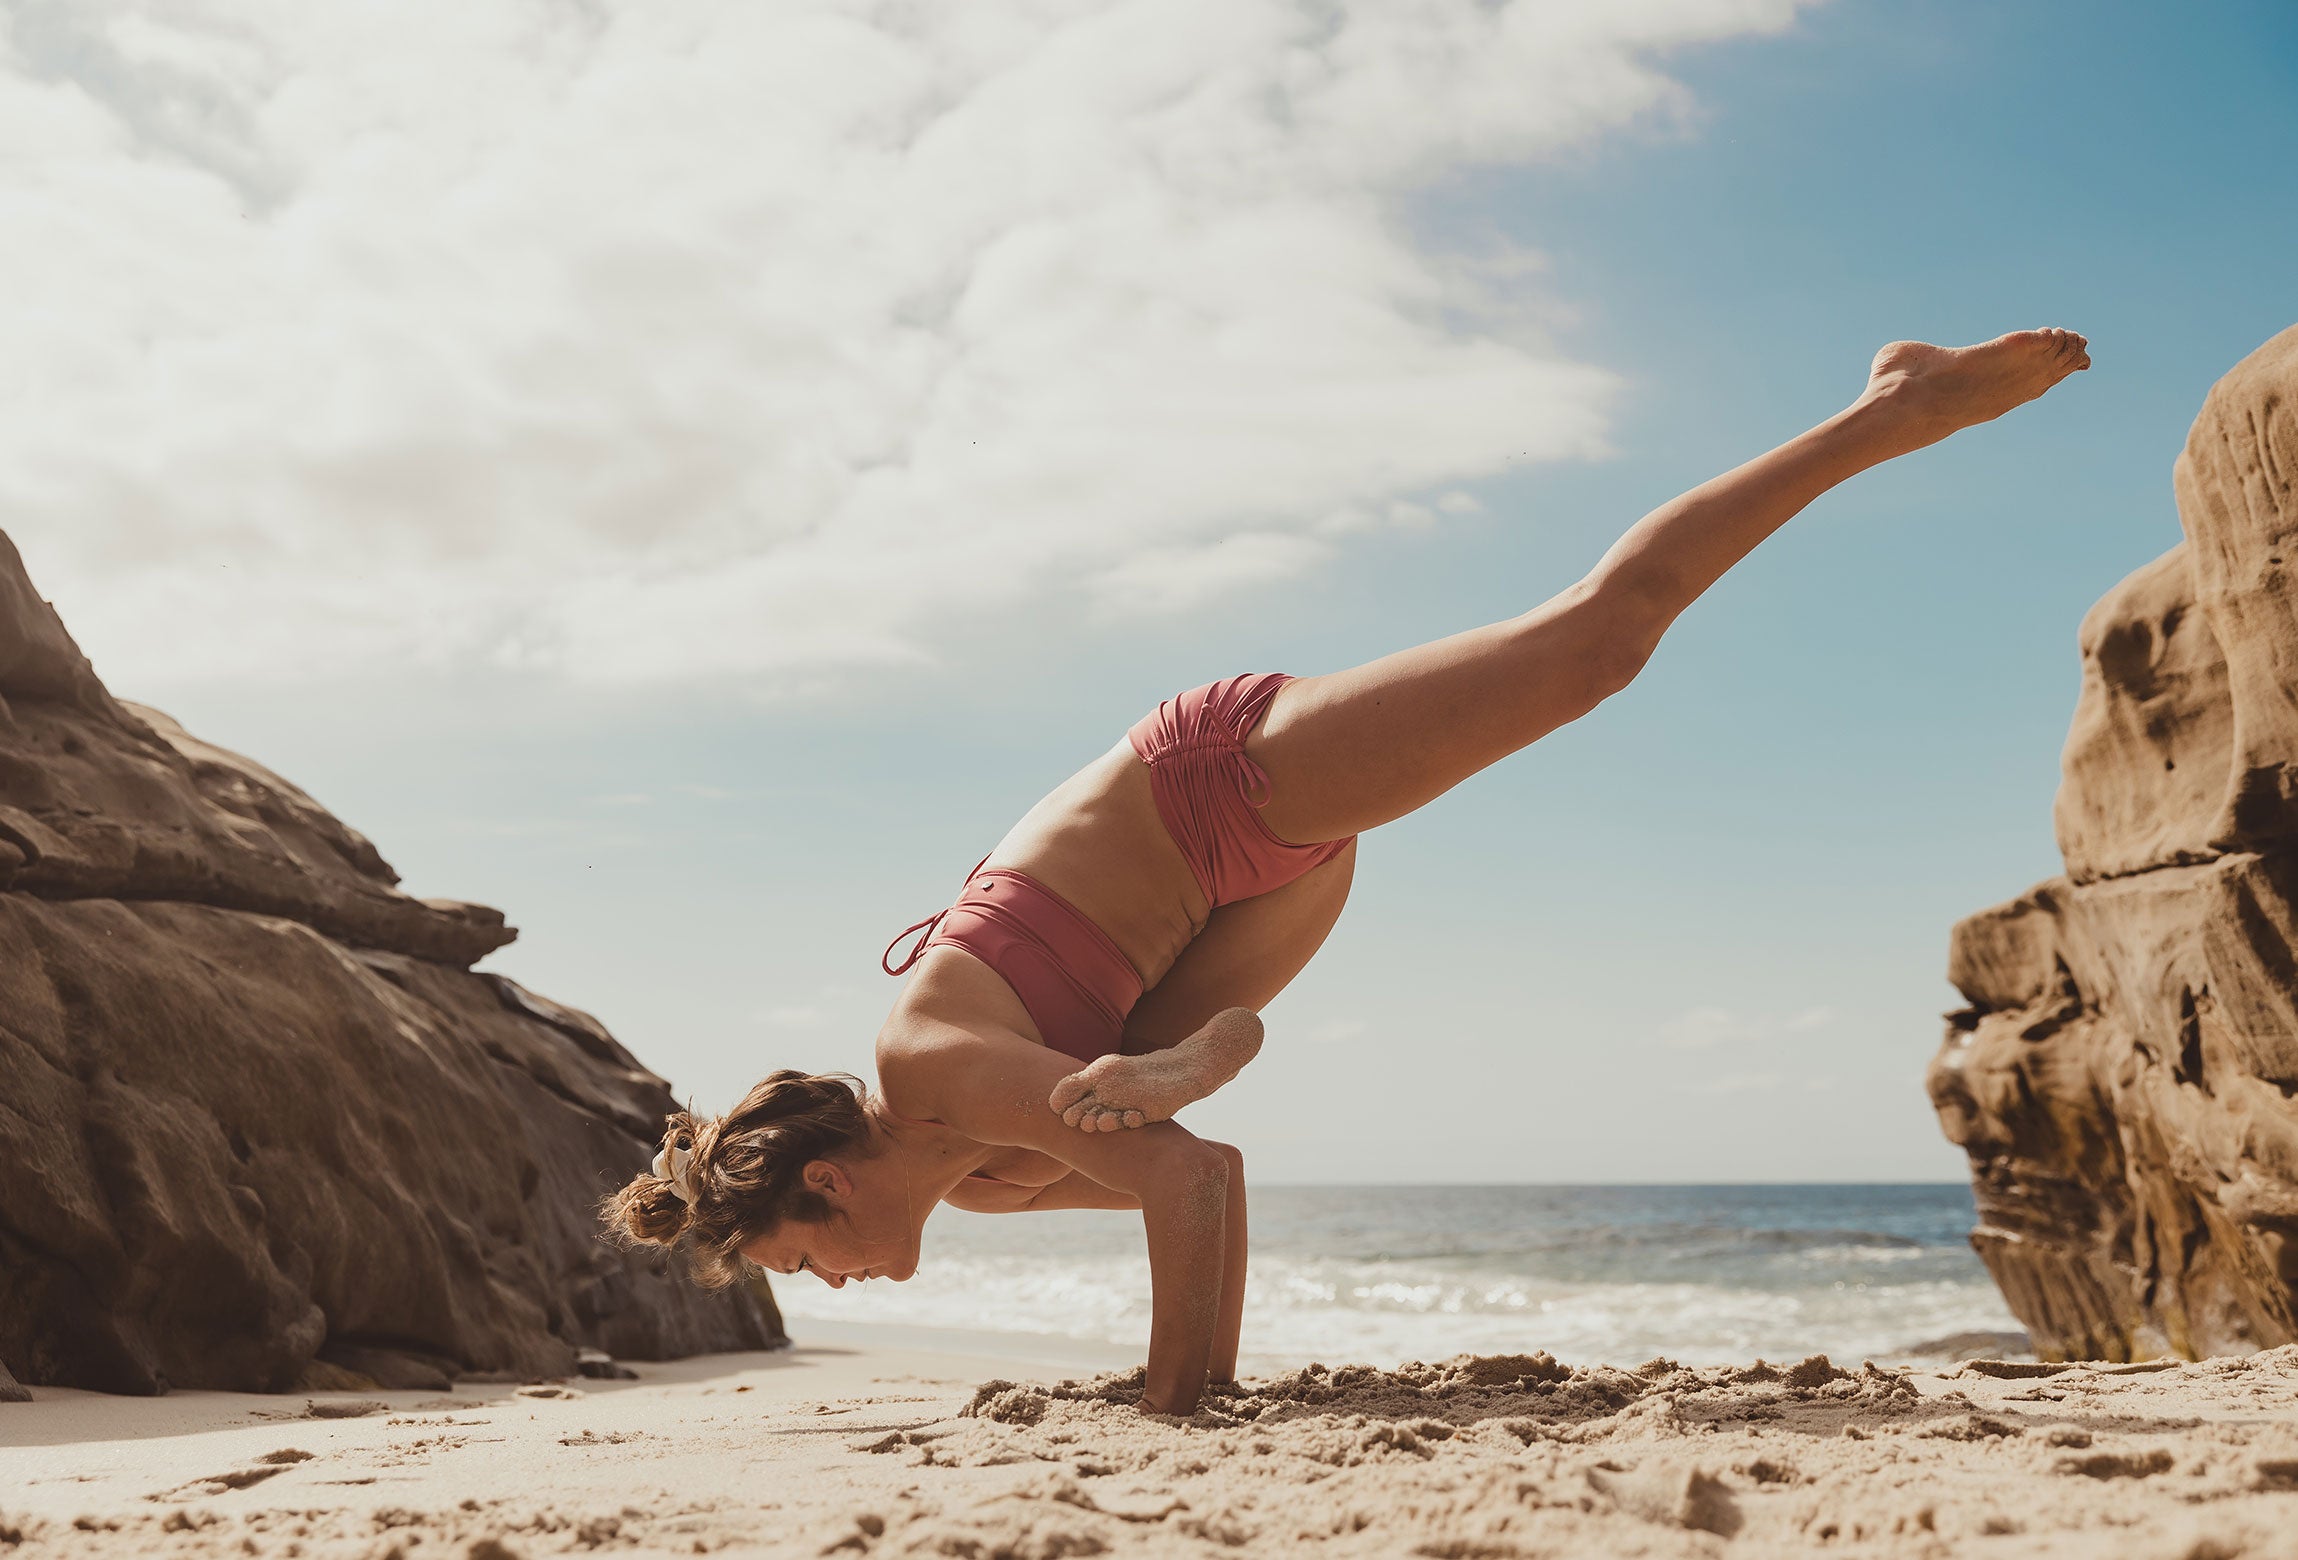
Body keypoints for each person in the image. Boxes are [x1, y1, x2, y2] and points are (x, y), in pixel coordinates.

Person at [606, 330, 2091, 1414]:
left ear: (822, 1178)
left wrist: (1173, 1400)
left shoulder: (927, 1071)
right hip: (1226, 922)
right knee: (1159, 1100)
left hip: (1204, 791)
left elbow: (1182, 1181)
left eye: (804, 1259)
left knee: (1593, 649)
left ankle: (1884, 408)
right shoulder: (985, 1189)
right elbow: (1208, 1186)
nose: (831, 1284)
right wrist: (1201, 1357)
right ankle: (1192, 1051)